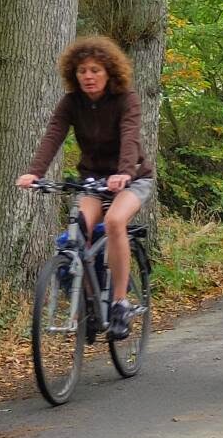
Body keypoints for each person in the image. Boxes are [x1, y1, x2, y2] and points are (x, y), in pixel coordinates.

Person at [17, 36, 154, 341]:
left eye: (95, 70)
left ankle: (119, 302)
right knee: (80, 232)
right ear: (73, 75)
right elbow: (54, 134)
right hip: (93, 180)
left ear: (109, 72)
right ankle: (91, 303)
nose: (88, 76)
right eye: (82, 71)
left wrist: (124, 172)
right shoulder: (71, 103)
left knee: (116, 222)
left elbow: (130, 136)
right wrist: (34, 173)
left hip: (131, 178)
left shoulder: (125, 99)